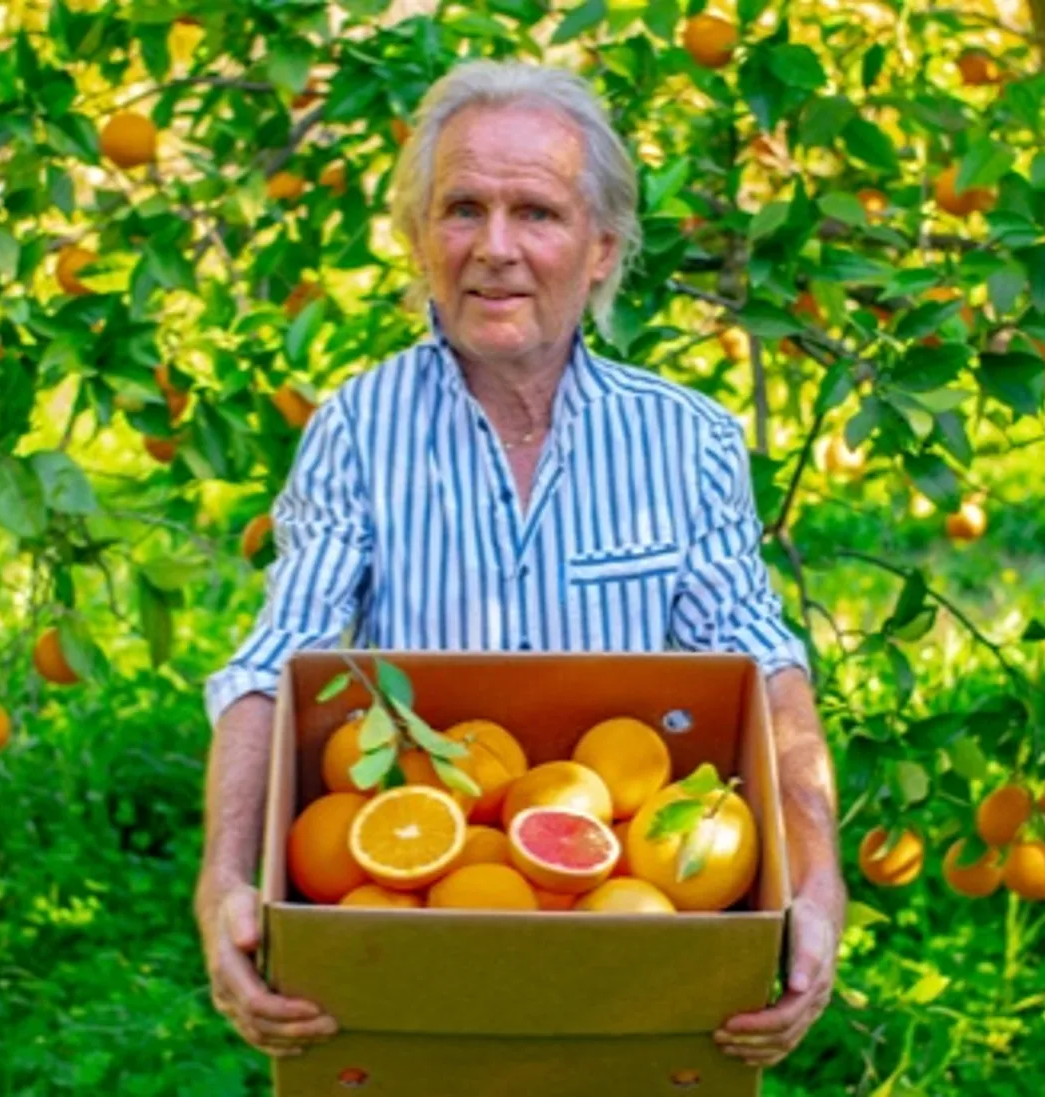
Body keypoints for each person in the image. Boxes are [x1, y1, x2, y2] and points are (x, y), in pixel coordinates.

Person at [192, 59, 846, 1072]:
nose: (494, 249)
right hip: (421, 940)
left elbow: (764, 665)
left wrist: (815, 882)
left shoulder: (689, 440)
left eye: (535, 212)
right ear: (419, 240)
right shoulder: (356, 430)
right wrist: (223, 878)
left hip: (635, 955)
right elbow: (278, 660)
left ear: (601, 250)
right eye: (462, 208)